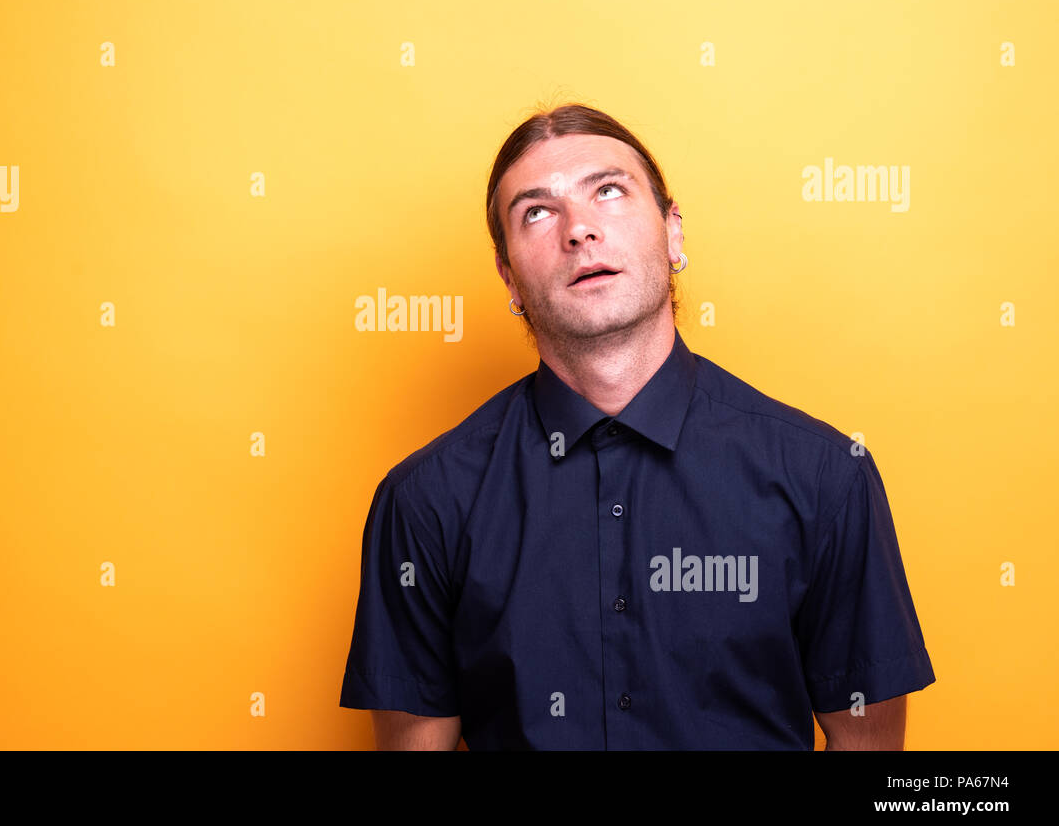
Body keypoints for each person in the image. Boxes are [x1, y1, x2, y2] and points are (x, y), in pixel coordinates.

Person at [338, 103, 935, 750]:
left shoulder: (824, 476)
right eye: (536, 212)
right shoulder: (424, 502)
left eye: (609, 191)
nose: (579, 230)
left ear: (673, 233)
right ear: (508, 277)